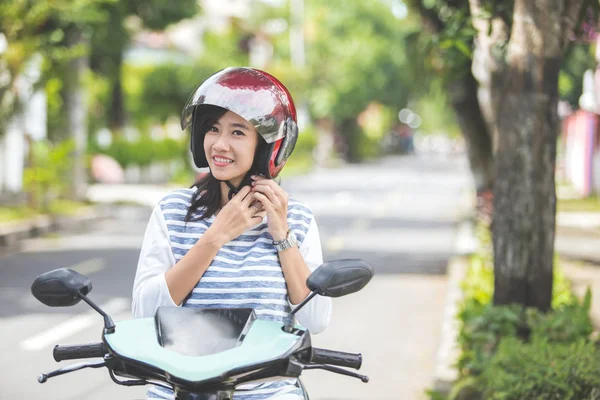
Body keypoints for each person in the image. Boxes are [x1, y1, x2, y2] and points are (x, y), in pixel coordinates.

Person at [131, 67, 332, 400]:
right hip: (179, 392)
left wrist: (281, 233)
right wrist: (216, 235)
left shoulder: (298, 219)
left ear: (268, 147)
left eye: (238, 132)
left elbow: (315, 318)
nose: (220, 144)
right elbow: (144, 310)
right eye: (213, 129)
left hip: (268, 393)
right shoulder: (173, 212)